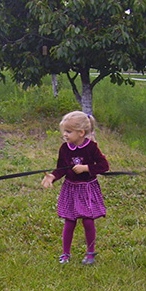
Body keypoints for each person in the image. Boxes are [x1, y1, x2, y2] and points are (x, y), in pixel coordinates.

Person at [42, 111, 110, 265]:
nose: (65, 135)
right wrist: (52, 176)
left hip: (87, 189)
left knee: (88, 220)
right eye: (64, 131)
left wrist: (86, 168)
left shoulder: (91, 148)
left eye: (68, 132)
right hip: (70, 189)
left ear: (81, 133)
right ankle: (65, 254)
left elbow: (104, 166)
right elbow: (61, 168)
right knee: (69, 221)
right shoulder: (64, 148)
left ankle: (90, 253)